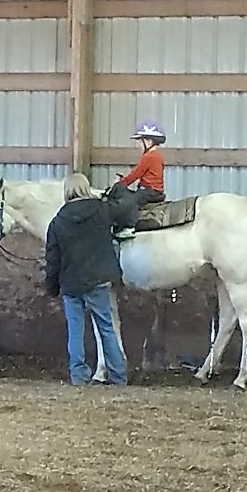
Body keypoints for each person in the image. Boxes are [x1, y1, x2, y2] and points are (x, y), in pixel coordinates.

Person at [45, 173, 127, 387]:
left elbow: (52, 258)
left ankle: (78, 375)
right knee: (106, 328)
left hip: (71, 283)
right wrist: (118, 188)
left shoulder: (57, 222)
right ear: (85, 188)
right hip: (99, 280)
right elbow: (125, 212)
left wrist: (52, 287)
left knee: (75, 330)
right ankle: (118, 376)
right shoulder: (101, 209)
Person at [114, 120, 166, 239]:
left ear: (148, 141)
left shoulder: (149, 156)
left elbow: (136, 173)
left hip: (150, 190)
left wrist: (121, 183)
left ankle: (129, 227)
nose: (138, 145)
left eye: (140, 141)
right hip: (153, 189)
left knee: (129, 202)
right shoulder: (157, 156)